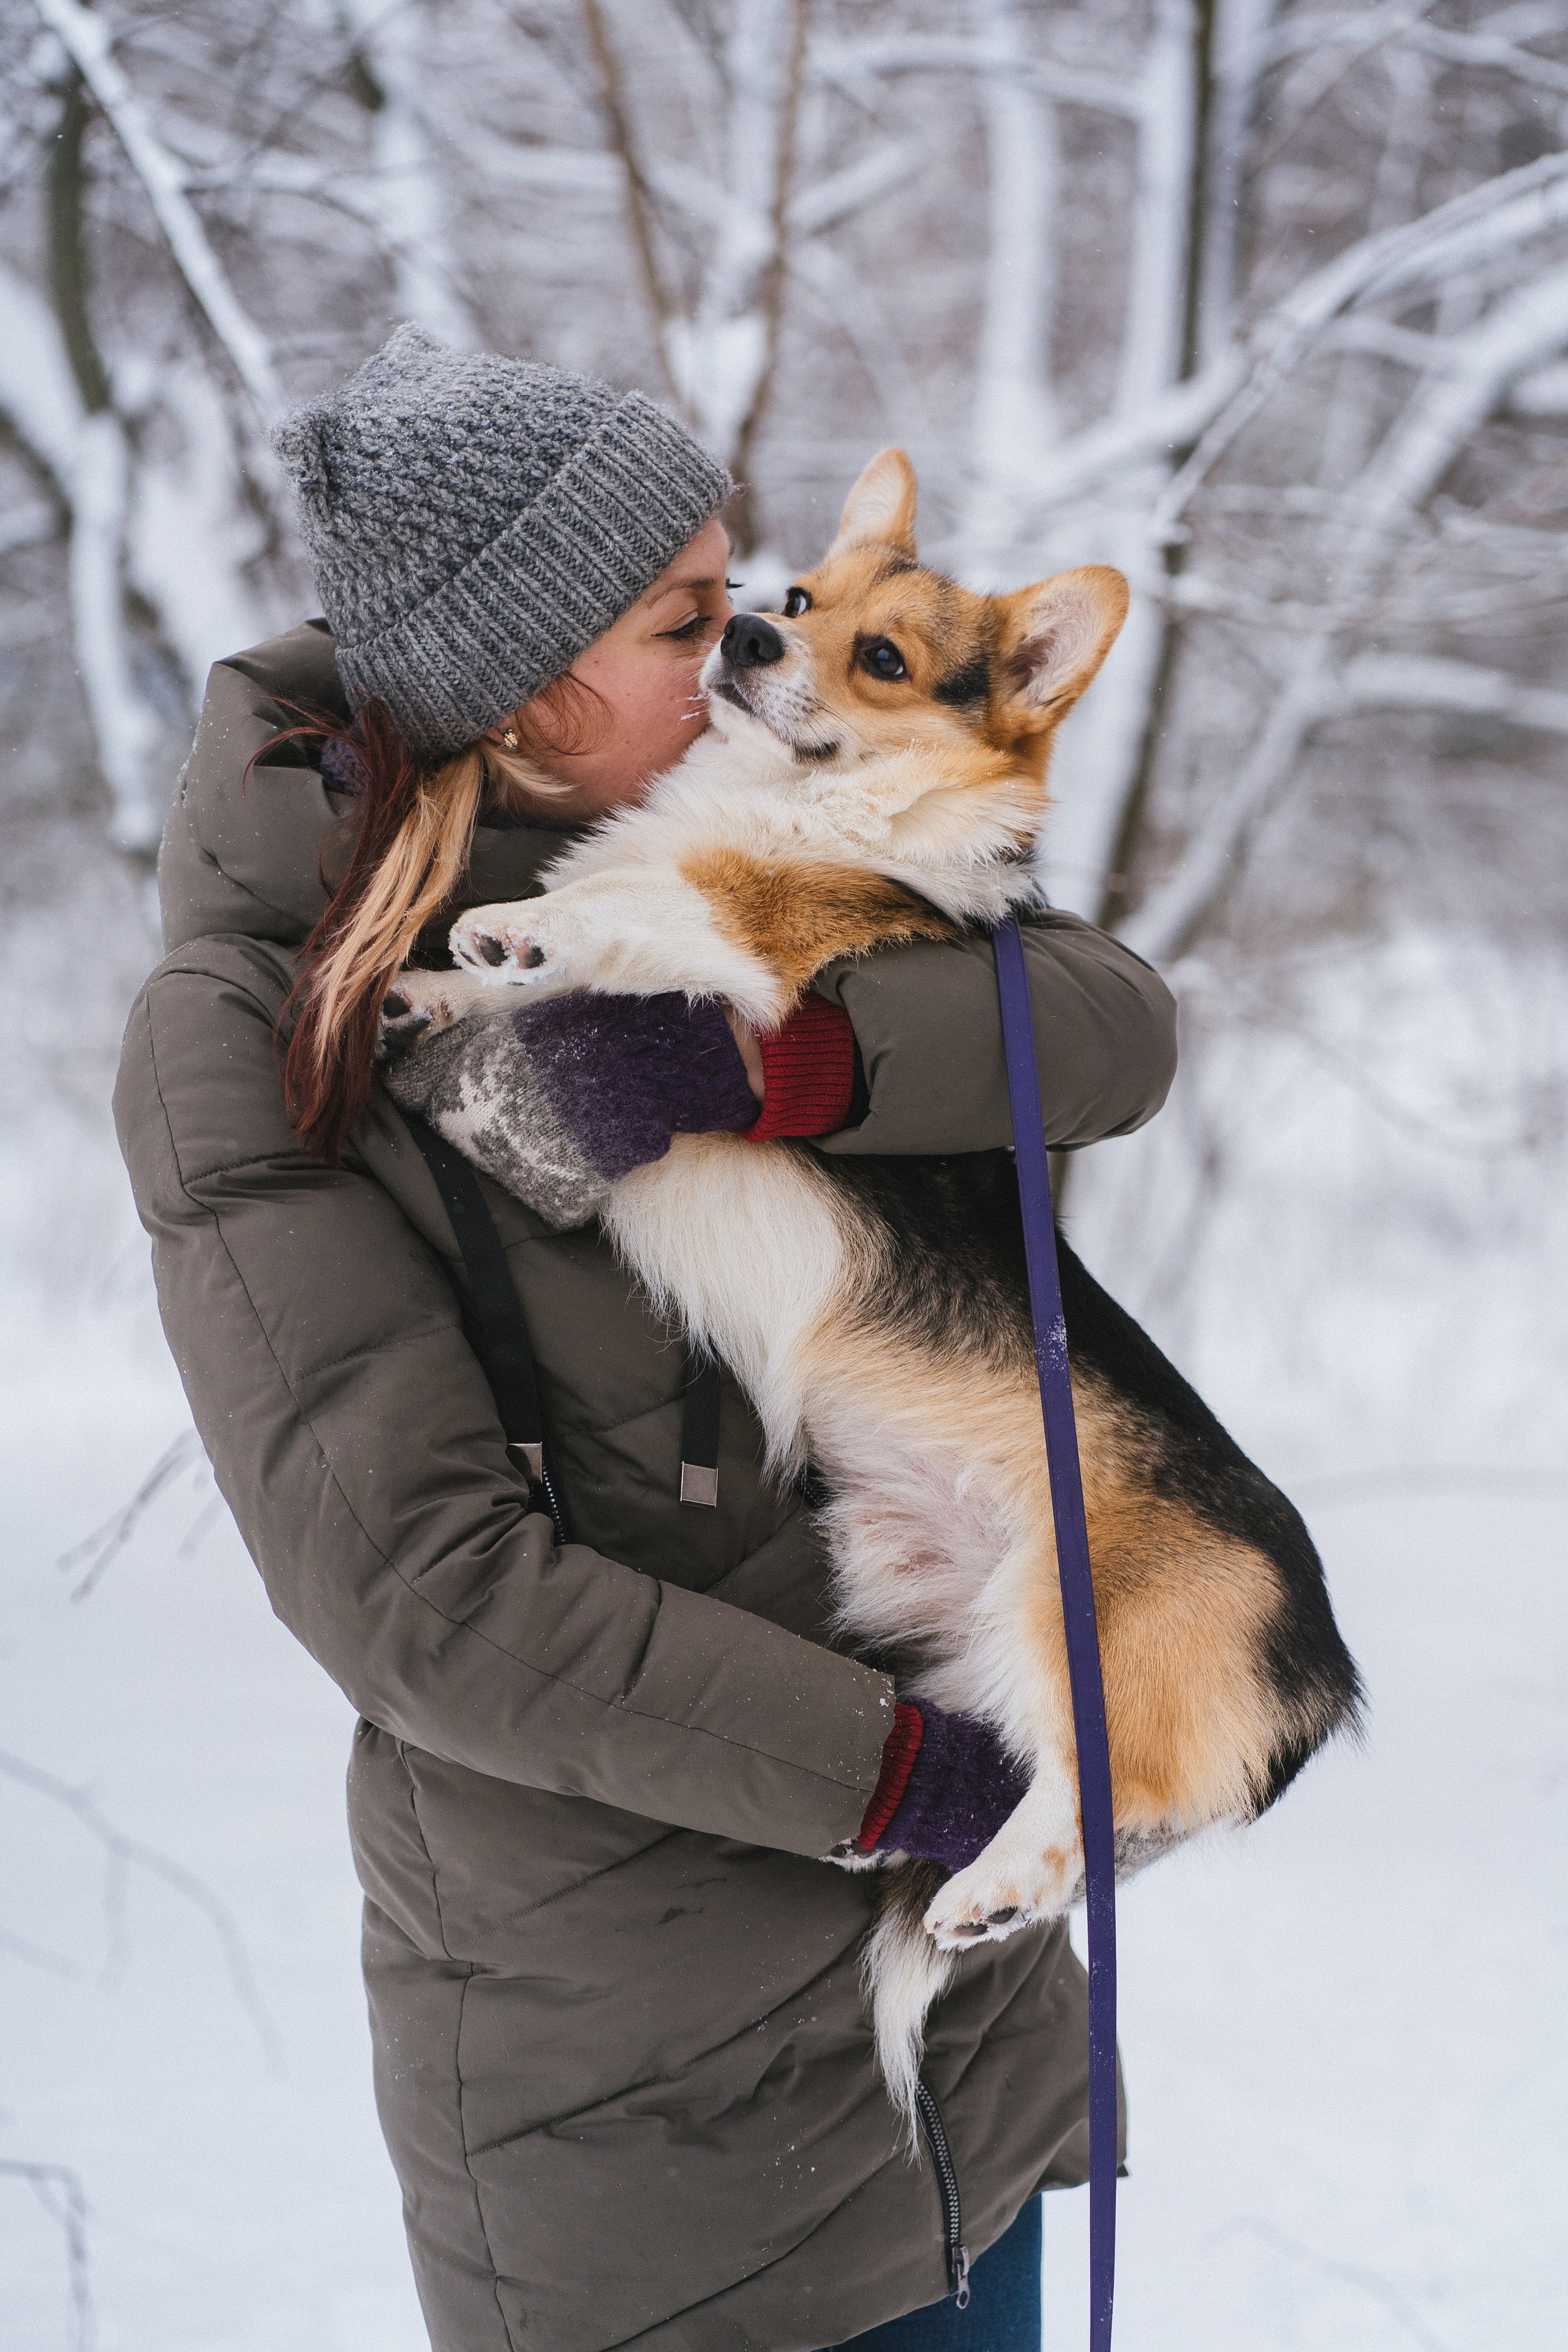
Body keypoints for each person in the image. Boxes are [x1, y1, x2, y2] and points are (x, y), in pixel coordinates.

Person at [115, 328, 1177, 2352]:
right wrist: (916, 1775)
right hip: (651, 2092)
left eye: (743, 595)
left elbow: (1106, 1018)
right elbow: (427, 1597)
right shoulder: (250, 1032)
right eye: (689, 622)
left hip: (961, 2034)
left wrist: (775, 1066)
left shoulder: (769, 844)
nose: (753, 645)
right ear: (526, 690)